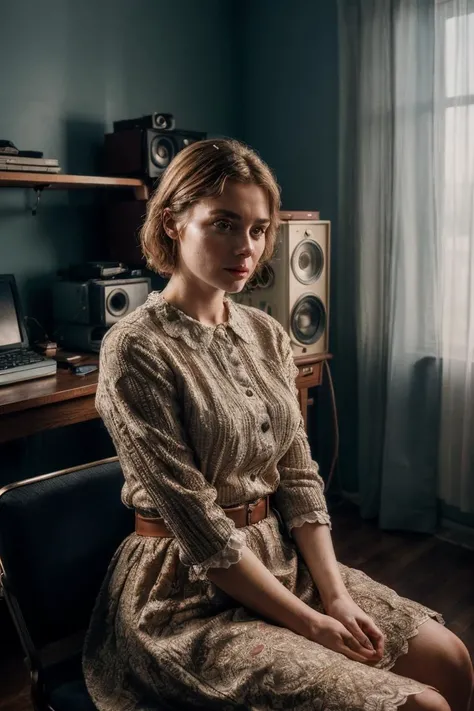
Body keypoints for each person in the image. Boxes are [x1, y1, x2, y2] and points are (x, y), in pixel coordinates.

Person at [83, 138, 474, 711]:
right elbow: (202, 531)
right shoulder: (136, 348)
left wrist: (334, 597)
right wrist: (311, 626)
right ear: (172, 223)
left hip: (280, 554)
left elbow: (298, 478)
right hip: (185, 591)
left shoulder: (265, 333)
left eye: (259, 229)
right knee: (420, 707)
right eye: (224, 224)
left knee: (453, 661)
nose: (247, 248)